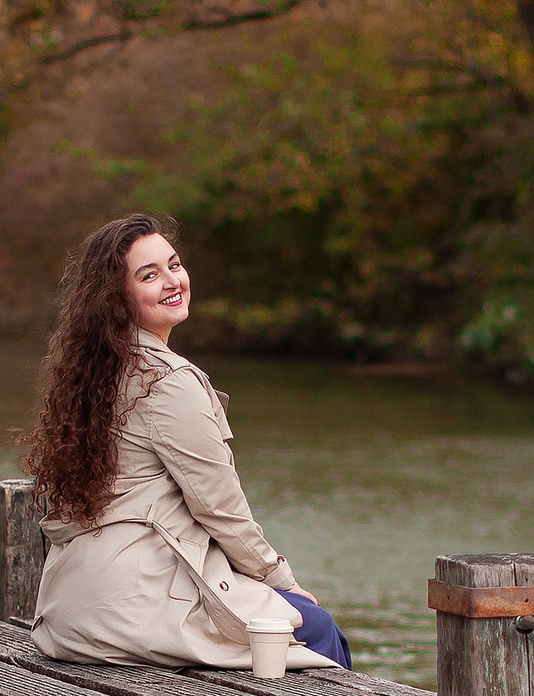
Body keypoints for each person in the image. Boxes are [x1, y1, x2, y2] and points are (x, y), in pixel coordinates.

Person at [24, 213, 353, 671]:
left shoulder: (94, 373)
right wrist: (281, 580)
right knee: (316, 628)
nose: (171, 281)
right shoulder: (168, 381)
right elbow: (220, 507)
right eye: (149, 275)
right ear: (116, 298)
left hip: (71, 613)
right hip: (131, 607)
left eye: (174, 265)